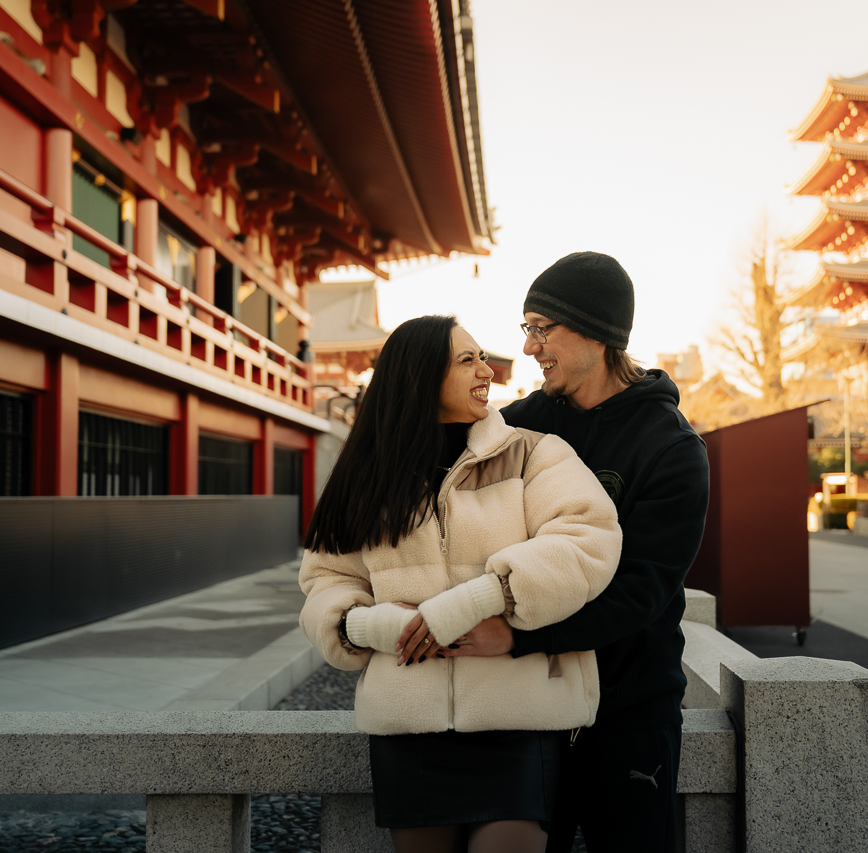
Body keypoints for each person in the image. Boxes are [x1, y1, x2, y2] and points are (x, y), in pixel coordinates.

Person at [298, 314, 623, 853]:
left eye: (483, 358)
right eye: (467, 359)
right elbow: (326, 580)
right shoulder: (366, 475)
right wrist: (370, 625)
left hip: (517, 721)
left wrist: (483, 597)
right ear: (421, 375)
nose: (487, 370)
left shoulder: (533, 453)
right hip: (409, 728)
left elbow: (588, 539)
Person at [421, 252, 711, 853]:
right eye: (527, 329)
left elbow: (642, 592)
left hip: (630, 712)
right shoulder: (524, 424)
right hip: (534, 705)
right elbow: (435, 465)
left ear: (597, 331)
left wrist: (519, 636)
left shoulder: (673, 448)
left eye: (540, 327)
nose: (529, 348)